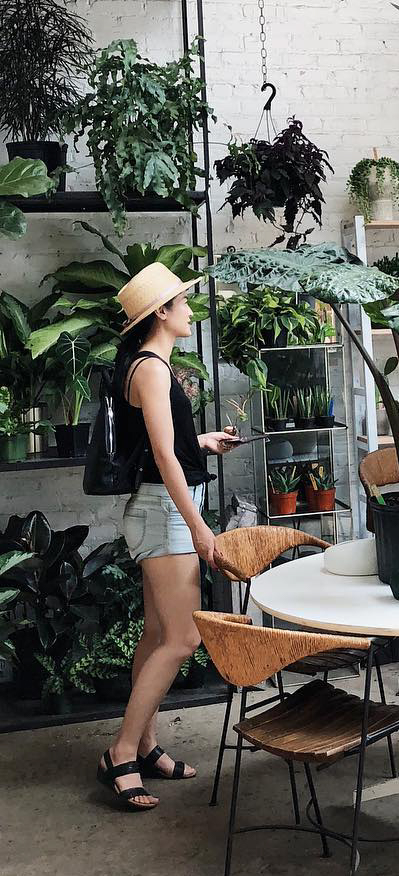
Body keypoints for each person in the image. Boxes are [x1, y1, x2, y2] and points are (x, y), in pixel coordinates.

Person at [97, 263, 239, 812]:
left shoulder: (146, 364)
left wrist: (200, 442)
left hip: (159, 508)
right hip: (166, 514)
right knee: (183, 638)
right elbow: (159, 456)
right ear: (161, 312)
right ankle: (121, 750)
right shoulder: (153, 369)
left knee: (158, 634)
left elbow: (163, 443)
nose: (189, 310)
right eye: (182, 302)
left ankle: (145, 744)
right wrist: (200, 528)